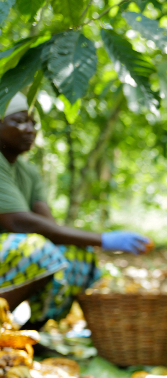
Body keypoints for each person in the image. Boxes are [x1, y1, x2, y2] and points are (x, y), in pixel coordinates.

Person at [0, 93, 151, 328]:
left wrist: (91, 247)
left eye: (33, 123)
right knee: (36, 250)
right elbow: (19, 222)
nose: (29, 129)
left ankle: (27, 335)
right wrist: (104, 239)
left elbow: (49, 226)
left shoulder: (27, 172)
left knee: (76, 255)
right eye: (19, 121)